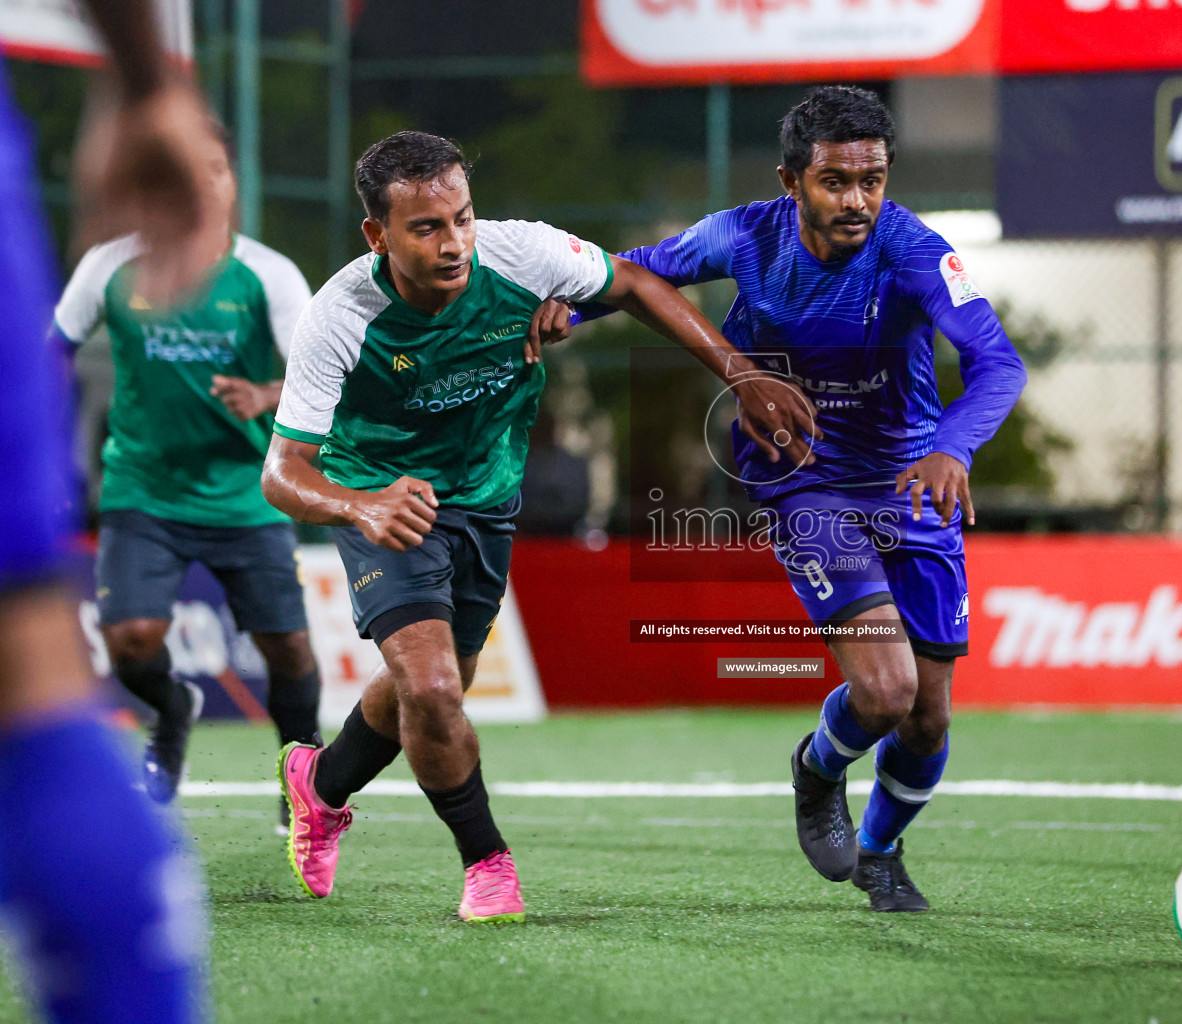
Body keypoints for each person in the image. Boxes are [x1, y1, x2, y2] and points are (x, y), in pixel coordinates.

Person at [262, 131, 815, 923]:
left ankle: (320, 786)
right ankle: (487, 862)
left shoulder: (520, 255)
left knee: (426, 688)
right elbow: (282, 474)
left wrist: (742, 372)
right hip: (385, 500)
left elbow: (632, 283)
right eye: (426, 228)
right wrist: (358, 504)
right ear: (376, 236)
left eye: (462, 218)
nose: (454, 243)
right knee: (433, 685)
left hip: (488, 495)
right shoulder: (341, 314)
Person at [534, 86, 1027, 912]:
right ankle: (818, 768)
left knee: (929, 716)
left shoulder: (914, 249)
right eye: (836, 180)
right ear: (792, 179)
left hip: (908, 479)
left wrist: (950, 446)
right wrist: (569, 313)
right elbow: (638, 275)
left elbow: (998, 361)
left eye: (871, 179)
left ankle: (881, 850)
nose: (857, 200)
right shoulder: (745, 234)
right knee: (885, 692)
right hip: (800, 477)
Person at [0, 1, 226, 1021]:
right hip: (147, 500)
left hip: (229, 505)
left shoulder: (264, 284)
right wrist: (144, 79)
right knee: (26, 664)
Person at [53, 121, 322, 816]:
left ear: (232, 182)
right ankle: (173, 709)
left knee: (288, 648)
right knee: (132, 643)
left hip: (247, 494)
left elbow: (321, 375)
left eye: (215, 170)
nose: (201, 185)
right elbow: (50, 354)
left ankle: (304, 782)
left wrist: (264, 395)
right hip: (143, 491)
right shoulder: (109, 266)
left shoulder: (268, 274)